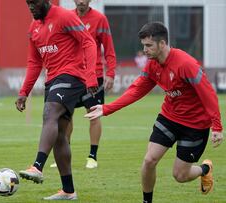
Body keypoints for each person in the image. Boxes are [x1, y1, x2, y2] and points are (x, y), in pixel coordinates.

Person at [85, 22, 223, 203]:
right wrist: (106, 108)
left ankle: (204, 169)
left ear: (162, 44)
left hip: (195, 126)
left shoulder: (186, 64)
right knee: (149, 160)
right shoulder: (152, 65)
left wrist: (217, 126)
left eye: (149, 45)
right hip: (169, 117)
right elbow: (135, 91)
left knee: (180, 175)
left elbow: (208, 93)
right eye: (143, 45)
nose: (145, 50)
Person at [15, 0, 98, 200]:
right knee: (60, 135)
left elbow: (88, 42)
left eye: (34, 3)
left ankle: (37, 166)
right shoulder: (34, 27)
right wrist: (24, 91)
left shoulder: (64, 16)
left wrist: (91, 75)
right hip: (52, 80)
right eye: (28, 3)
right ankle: (69, 190)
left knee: (49, 113)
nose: (31, 7)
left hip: (72, 76)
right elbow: (35, 62)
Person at [50, 0, 117, 169]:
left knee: (94, 114)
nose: (81, 1)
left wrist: (110, 73)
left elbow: (109, 48)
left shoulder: (100, 19)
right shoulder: (67, 17)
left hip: (93, 76)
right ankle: (64, 154)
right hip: (72, 75)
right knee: (66, 115)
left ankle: (92, 156)